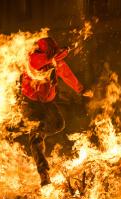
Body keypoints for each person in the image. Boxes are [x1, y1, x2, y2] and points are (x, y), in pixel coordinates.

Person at [21, 37, 92, 186]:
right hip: (31, 104)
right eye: (52, 52)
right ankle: (44, 175)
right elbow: (45, 59)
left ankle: (39, 132)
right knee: (36, 140)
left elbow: (66, 74)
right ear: (44, 51)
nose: (54, 55)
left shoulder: (55, 61)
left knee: (59, 124)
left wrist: (81, 89)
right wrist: (62, 53)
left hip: (47, 102)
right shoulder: (33, 58)